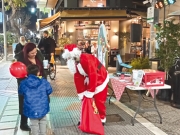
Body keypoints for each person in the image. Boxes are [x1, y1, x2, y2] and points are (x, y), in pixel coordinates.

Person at [62, 44, 109, 125]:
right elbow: (78, 78)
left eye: (70, 58)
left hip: (100, 77)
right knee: (85, 100)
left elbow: (93, 75)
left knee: (99, 100)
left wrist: (90, 91)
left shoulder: (87, 59)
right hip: (89, 78)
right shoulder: (74, 63)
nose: (69, 60)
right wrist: (81, 92)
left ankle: (101, 118)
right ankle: (86, 117)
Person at [14, 43, 47, 131]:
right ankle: (23, 124)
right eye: (32, 53)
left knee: (39, 104)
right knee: (26, 104)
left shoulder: (38, 55)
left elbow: (43, 69)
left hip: (39, 85)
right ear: (26, 52)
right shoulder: (21, 60)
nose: (34, 54)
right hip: (27, 86)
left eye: (35, 52)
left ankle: (39, 123)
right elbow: (19, 75)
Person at [19, 65, 53, 135]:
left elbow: (21, 92)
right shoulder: (43, 81)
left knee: (34, 124)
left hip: (31, 108)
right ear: (38, 73)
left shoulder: (23, 83)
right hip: (42, 107)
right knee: (43, 121)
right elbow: (49, 90)